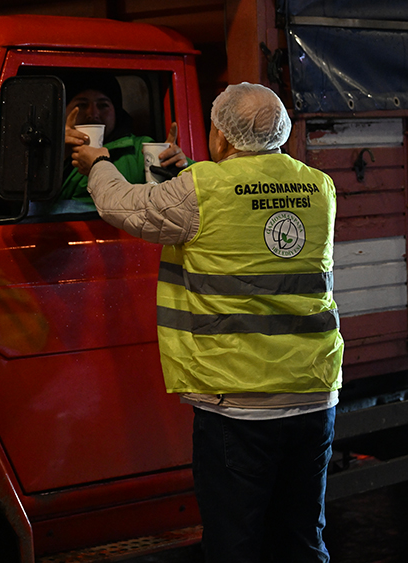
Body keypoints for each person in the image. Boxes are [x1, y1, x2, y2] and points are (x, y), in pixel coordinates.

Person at [71, 82, 344, 562]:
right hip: (313, 393)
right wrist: (191, 171)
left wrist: (97, 162)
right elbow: (247, 204)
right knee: (301, 538)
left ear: (221, 134)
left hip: (238, 402)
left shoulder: (203, 189)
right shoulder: (318, 185)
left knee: (234, 543)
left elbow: (124, 206)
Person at [38, 72, 189, 214]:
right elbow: (29, 204)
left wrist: (179, 166)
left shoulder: (138, 149)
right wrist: (55, 155)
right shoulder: (46, 148)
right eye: (82, 105)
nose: (93, 114)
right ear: (64, 111)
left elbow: (196, 191)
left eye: (103, 105)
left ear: (116, 111)